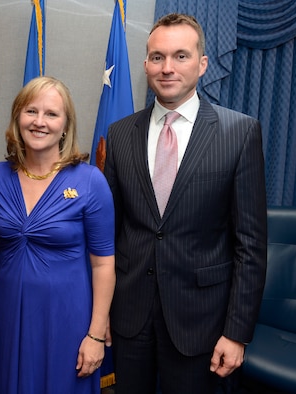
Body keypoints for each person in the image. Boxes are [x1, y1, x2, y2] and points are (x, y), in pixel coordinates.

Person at [103, 13, 267, 394]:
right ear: (145, 64)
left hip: (202, 321)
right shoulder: (120, 133)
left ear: (202, 64)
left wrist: (237, 333)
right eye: (157, 57)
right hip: (130, 315)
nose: (167, 68)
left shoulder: (239, 133)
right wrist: (101, 313)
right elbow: (108, 234)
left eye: (180, 56)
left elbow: (251, 245)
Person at [0, 76, 116, 394]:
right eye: (30, 111)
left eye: (51, 114)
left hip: (67, 319)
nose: (39, 122)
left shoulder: (91, 181)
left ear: (65, 125)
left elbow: (104, 265)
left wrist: (95, 335)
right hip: (8, 315)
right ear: (18, 118)